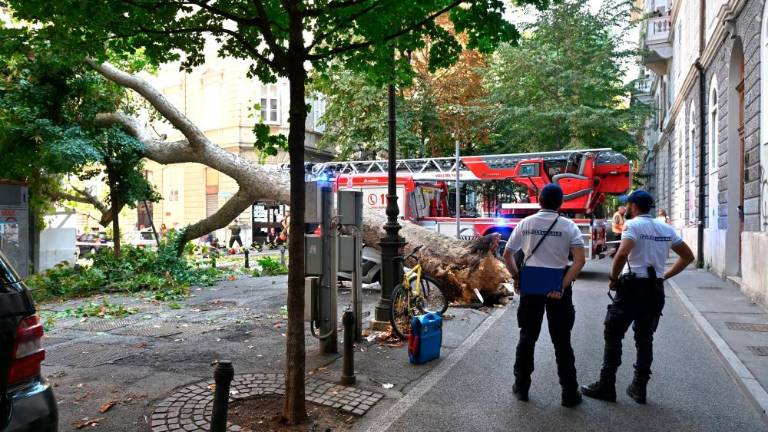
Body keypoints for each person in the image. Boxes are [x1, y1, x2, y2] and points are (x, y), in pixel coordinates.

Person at [582, 191, 694, 405]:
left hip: (632, 287)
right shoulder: (666, 228)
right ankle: (639, 388)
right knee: (644, 338)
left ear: (633, 206)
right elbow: (688, 256)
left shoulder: (632, 226)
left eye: (629, 205)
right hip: (655, 289)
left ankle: (607, 385)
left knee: (613, 332)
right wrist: (664, 276)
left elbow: (623, 254)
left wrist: (613, 278)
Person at [502, 184, 587, 407]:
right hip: (557, 283)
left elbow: (507, 254)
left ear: (539, 200)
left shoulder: (525, 223)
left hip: (531, 283)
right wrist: (561, 285)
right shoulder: (569, 226)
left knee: (527, 336)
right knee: (562, 340)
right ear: (561, 203)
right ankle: (569, 393)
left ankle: (521, 387)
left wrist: (517, 276)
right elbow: (579, 261)